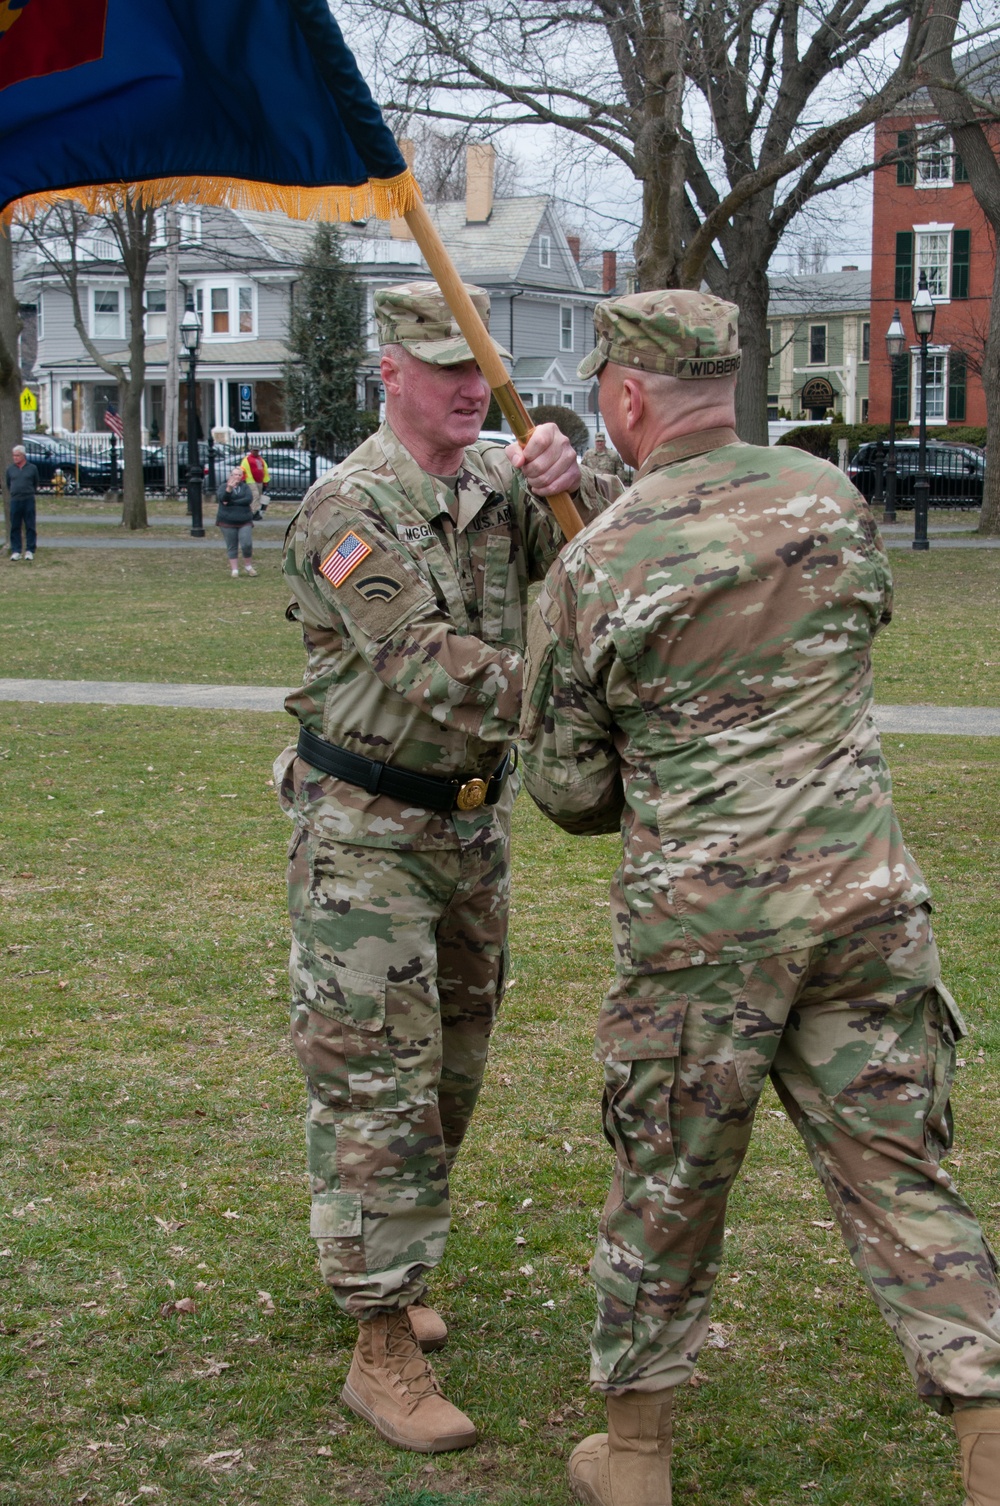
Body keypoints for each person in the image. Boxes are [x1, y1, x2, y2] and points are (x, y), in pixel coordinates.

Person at [518, 289, 1000, 1506]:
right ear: (727, 380)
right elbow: (850, 636)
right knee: (900, 1177)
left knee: (667, 1183)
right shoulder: (830, 501)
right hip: (864, 906)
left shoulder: (595, 558)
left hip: (703, 934)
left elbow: (567, 791)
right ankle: (989, 1444)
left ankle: (632, 1462)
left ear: (626, 398)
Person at [275, 279, 619, 1457]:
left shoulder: (492, 482)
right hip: (368, 831)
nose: (473, 387)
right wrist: (589, 700)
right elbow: (426, 661)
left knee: (446, 1078)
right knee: (376, 1085)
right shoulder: (346, 509)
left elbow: (603, 562)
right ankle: (379, 1344)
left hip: (471, 829)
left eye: (482, 367)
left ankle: (391, 1263)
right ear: (390, 375)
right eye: (445, 367)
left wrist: (582, 484)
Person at [215, 465, 257, 577]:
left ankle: (248, 566)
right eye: (235, 474)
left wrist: (232, 502)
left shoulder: (245, 488)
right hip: (227, 521)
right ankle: (235, 570)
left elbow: (248, 499)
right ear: (231, 475)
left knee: (246, 544)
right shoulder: (223, 486)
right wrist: (229, 489)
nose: (237, 477)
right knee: (232, 545)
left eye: (239, 475)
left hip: (244, 520)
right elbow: (223, 499)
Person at [7, 444, 40, 561]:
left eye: (17, 455)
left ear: (23, 456)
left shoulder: (32, 468)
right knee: (15, 525)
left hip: (28, 500)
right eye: (14, 455)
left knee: (30, 525)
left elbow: (36, 483)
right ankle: (16, 550)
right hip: (15, 500)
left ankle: (30, 550)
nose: (15, 457)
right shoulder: (10, 469)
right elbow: (8, 484)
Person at [241, 445, 270, 512]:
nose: (256, 452)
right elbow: (243, 469)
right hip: (250, 480)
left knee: (259, 496)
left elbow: (265, 470)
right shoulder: (247, 459)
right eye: (254, 450)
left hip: (260, 481)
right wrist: (244, 478)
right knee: (255, 495)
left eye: (257, 450)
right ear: (251, 451)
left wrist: (265, 482)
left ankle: (256, 511)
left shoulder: (261, 459)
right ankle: (254, 511)